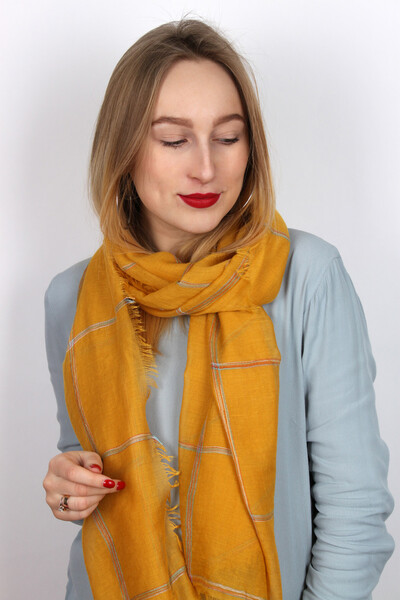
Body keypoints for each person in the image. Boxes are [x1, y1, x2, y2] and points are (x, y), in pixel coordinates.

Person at [43, 18, 394, 600]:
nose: (206, 168)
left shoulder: (307, 276)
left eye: (228, 138)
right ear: (124, 149)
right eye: (173, 140)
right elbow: (81, 467)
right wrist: (67, 489)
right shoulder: (73, 297)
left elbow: (354, 510)